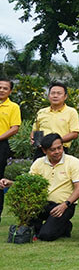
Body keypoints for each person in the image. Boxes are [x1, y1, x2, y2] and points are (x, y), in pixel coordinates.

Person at [0, 133, 79, 241]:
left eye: (59, 148)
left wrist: (65, 204)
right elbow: (28, 183)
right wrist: (10, 183)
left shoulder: (73, 162)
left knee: (45, 235)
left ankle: (65, 226)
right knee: (29, 225)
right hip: (41, 205)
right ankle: (56, 224)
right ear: (44, 151)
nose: (57, 152)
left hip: (64, 206)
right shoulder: (38, 163)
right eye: (53, 150)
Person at [31, 81, 79, 160]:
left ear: (65, 96)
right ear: (49, 96)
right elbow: (35, 130)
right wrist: (35, 140)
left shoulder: (71, 112)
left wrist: (56, 143)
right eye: (52, 93)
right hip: (42, 150)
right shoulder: (41, 112)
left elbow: (74, 133)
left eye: (59, 93)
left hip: (60, 150)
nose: (55, 96)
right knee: (37, 171)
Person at [0, 77, 21, 218]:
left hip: (1, 144)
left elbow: (14, 128)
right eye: (0, 87)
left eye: (5, 88)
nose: (1, 90)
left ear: (10, 91)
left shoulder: (13, 107)